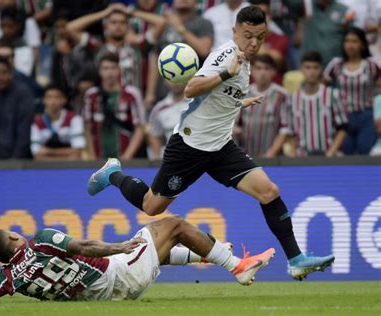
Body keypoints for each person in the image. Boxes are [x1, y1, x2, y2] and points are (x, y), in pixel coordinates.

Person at [86, 6, 335, 281]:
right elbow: (191, 88)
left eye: (261, 37)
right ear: (235, 32)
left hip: (220, 147)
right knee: (152, 207)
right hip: (190, 145)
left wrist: (240, 101)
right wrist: (227, 74)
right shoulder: (226, 56)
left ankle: (296, 260)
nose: (254, 42)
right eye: (248, 36)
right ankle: (113, 174)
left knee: (268, 191)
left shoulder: (243, 61)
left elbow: (216, 97)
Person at [0, 216, 275, 303]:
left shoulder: (9, 278)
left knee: (158, 248)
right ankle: (236, 266)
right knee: (172, 224)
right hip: (118, 274)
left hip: (107, 293)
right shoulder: (39, 240)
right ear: (11, 238)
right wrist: (118, 247)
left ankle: (214, 255)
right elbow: (82, 246)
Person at [274, 52, 349, 157]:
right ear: (301, 69)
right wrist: (293, 152)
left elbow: (343, 128)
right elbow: (290, 132)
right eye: (307, 67)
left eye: (315, 67)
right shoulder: (293, 99)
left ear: (321, 69)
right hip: (302, 158)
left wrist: (330, 153)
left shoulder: (333, 95)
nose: (311, 72)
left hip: (330, 157)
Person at [324, 27, 380, 155]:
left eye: (355, 41)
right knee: (345, 153)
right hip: (342, 118)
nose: (350, 45)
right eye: (347, 41)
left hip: (366, 116)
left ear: (363, 44)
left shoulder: (371, 65)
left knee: (365, 152)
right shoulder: (336, 65)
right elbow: (323, 87)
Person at [83, 54, 146, 160]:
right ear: (99, 71)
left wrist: (127, 157)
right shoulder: (91, 95)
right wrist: (92, 157)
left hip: (126, 159)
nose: (109, 72)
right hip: (99, 160)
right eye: (105, 68)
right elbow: (87, 129)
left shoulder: (132, 94)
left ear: (119, 70)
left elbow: (140, 128)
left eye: (113, 68)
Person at [234, 54, 289, 157]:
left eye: (267, 69)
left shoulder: (281, 95)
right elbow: (236, 125)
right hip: (246, 156)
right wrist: (236, 130)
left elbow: (285, 129)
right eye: (258, 68)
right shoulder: (243, 93)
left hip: (273, 157)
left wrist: (271, 153)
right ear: (252, 71)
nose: (262, 73)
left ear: (274, 72)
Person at [31, 85, 85, 161]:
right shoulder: (36, 122)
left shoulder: (74, 119)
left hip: (72, 168)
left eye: (57, 97)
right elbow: (37, 155)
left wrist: (49, 151)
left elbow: (78, 152)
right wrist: (68, 155)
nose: (53, 102)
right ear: (43, 100)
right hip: (45, 169)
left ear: (64, 100)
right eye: (49, 97)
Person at [0, 0, 41, 64]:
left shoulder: (28, 21)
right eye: (3, 26)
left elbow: (35, 53)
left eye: (10, 26)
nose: (0, 1)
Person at [299, 0, 353, 66]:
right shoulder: (307, 5)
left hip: (334, 64)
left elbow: (351, 36)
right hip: (310, 65)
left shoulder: (344, 10)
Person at [148, 82, 188, 159]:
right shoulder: (159, 108)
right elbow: (154, 135)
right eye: (171, 78)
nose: (176, 82)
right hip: (172, 159)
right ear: (165, 80)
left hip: (197, 158)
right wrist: (157, 157)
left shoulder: (197, 103)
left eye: (179, 77)